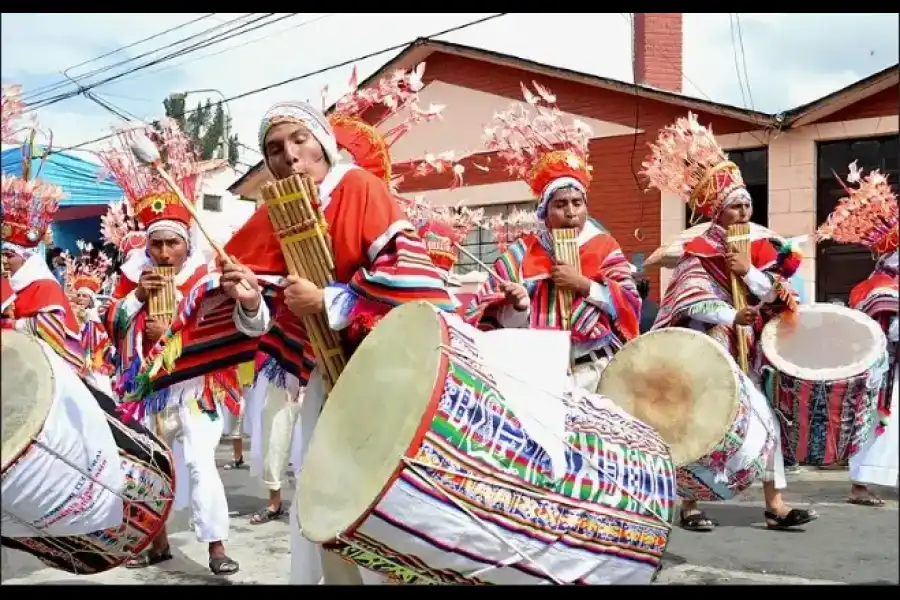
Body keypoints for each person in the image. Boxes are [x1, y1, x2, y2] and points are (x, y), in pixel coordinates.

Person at [221, 92, 458, 584]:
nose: (289, 155)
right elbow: (271, 317)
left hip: (385, 374)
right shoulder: (275, 214)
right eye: (274, 149)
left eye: (300, 139)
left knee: (387, 496)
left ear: (323, 144)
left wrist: (328, 301)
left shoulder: (360, 187)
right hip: (327, 384)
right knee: (330, 495)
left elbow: (409, 285)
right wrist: (249, 301)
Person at [97, 118, 269, 576]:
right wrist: (136, 303)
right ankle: (156, 539)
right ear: (147, 246)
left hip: (198, 387)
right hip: (151, 390)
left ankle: (216, 545)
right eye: (157, 244)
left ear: (186, 243)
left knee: (198, 462)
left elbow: (239, 321)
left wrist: (240, 298)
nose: (165, 253)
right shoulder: (132, 281)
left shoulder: (206, 278)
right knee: (153, 464)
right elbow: (111, 325)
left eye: (174, 242)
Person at [642, 112, 816, 532]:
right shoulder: (697, 250)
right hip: (711, 349)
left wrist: (748, 273)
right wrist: (729, 313)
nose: (741, 211)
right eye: (733, 205)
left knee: (766, 421)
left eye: (745, 204)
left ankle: (776, 504)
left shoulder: (759, 248)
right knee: (699, 422)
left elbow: (780, 295)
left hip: (750, 351)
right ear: (716, 212)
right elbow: (689, 300)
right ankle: (689, 505)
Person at [466, 84, 641, 392]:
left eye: (577, 203)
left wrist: (583, 284)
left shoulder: (603, 246)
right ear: (545, 213)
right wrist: (518, 305)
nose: (571, 212)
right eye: (560, 204)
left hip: (597, 369)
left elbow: (630, 303)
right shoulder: (519, 255)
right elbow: (490, 321)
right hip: (539, 373)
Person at [816, 161, 898, 506]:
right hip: (882, 374)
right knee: (876, 427)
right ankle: (860, 485)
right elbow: (888, 331)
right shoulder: (877, 287)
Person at [1, 173, 85, 373]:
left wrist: (14, 325)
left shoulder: (45, 286)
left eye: (9, 255)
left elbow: (52, 332)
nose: (3, 261)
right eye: (1, 254)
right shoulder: (7, 285)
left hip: (50, 369)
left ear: (27, 258)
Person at [63, 241, 116, 397]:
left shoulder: (97, 316)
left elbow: (104, 338)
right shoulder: (73, 314)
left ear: (92, 299)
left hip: (97, 362)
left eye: (84, 296)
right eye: (78, 295)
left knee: (102, 393)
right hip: (78, 362)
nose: (80, 299)